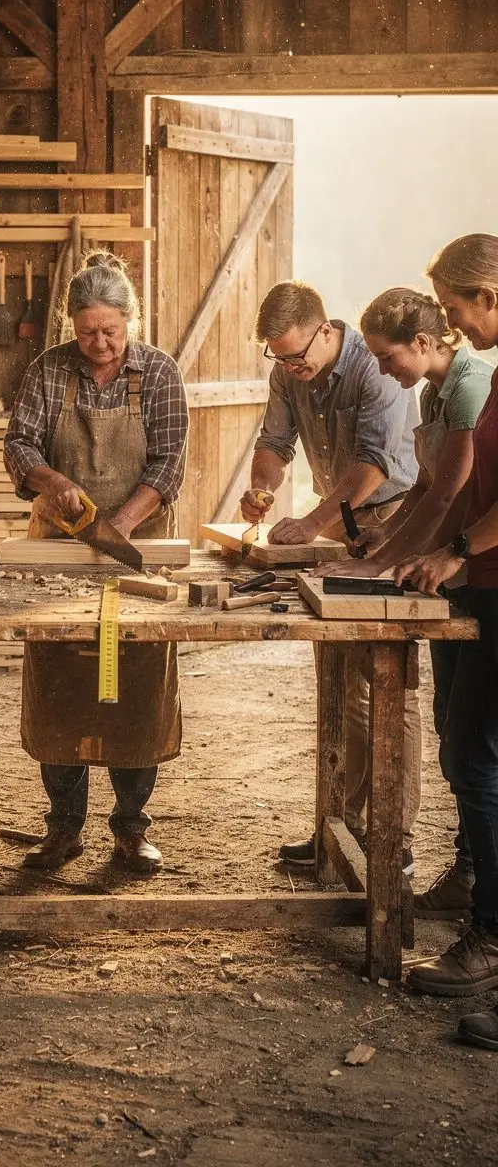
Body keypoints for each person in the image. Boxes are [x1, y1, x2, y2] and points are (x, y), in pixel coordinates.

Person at [4, 251, 189, 874]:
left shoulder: (159, 373)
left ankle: (132, 828)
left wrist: (120, 526)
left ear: (130, 321)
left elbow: (168, 462)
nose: (99, 343)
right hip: (56, 545)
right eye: (87, 331)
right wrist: (51, 482)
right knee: (60, 681)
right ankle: (62, 827)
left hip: (137, 548)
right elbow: (18, 444)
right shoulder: (50, 370)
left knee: (136, 684)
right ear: (71, 324)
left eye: (111, 330)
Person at [240, 280, 420, 873]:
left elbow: (374, 463)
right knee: (342, 680)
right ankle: (342, 824)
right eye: (280, 358)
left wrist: (312, 523)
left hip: (395, 519)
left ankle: (394, 836)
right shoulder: (288, 371)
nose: (292, 367)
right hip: (341, 523)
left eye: (298, 355)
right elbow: (273, 443)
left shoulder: (374, 366)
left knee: (388, 677)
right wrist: (263, 487)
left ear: (324, 330)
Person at [327, 286, 493, 916]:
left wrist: (380, 563)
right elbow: (426, 488)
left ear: (424, 343)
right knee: (456, 731)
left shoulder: (474, 385)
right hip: (458, 571)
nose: (385, 370)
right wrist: (384, 547)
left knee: (473, 747)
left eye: (389, 356)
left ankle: (473, 880)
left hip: (478, 570)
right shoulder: (436, 390)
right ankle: (467, 874)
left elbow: (451, 494)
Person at [397, 236, 498, 1049]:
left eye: (458, 307)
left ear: (488, 294)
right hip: (485, 583)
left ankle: (489, 937)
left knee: (474, 756)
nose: (453, 323)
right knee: (472, 753)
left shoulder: (477, 375)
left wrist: (457, 552)